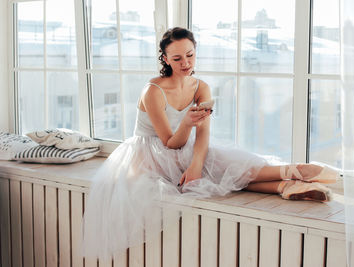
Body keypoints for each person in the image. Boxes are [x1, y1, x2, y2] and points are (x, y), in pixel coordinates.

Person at [82, 27, 338, 259]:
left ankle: (288, 182)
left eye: (190, 55)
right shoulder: (153, 91)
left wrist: (195, 164)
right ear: (165, 59)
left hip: (184, 147)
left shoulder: (200, 87)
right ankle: (291, 174)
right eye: (177, 58)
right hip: (150, 155)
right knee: (214, 176)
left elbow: (202, 136)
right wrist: (186, 124)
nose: (186, 63)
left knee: (216, 166)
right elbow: (169, 143)